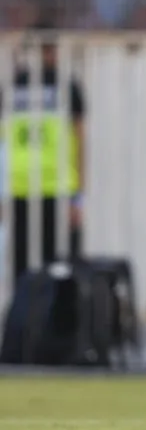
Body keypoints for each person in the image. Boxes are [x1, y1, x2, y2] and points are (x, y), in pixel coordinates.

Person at [1, 24, 85, 286]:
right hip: (57, 189)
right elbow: (80, 143)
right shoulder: (66, 88)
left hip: (19, 190)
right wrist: (78, 198)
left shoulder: (11, 88)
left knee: (21, 272)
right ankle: (58, 326)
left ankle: (25, 324)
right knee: (61, 271)